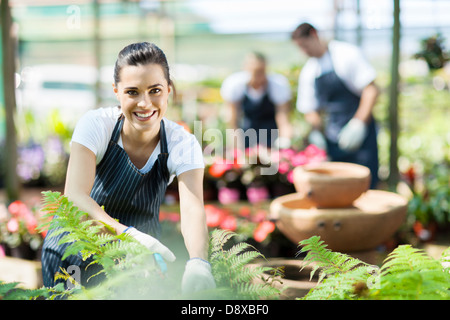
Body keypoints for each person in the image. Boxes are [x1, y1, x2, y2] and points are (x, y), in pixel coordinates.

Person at [41, 42, 215, 294]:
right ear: (116, 91)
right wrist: (128, 235)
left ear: (168, 90)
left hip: (135, 261)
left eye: (155, 90)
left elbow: (192, 208)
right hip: (74, 251)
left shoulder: (182, 143)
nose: (145, 103)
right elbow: (75, 197)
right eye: (132, 92)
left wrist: (199, 262)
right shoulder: (97, 126)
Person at [291, 23, 380, 188]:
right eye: (300, 48)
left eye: (305, 45)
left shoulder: (345, 54)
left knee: (366, 184)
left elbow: (371, 90)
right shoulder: (310, 71)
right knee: (338, 187)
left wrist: (358, 123)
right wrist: (317, 134)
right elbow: (310, 110)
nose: (304, 51)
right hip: (333, 138)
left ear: (314, 34)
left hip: (361, 136)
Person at [220, 51, 292, 149]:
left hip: (271, 133)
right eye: (254, 71)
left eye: (261, 71)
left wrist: (284, 141)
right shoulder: (235, 85)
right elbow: (233, 121)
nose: (258, 75)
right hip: (247, 133)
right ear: (245, 68)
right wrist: (238, 148)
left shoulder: (277, 85)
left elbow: (283, 118)